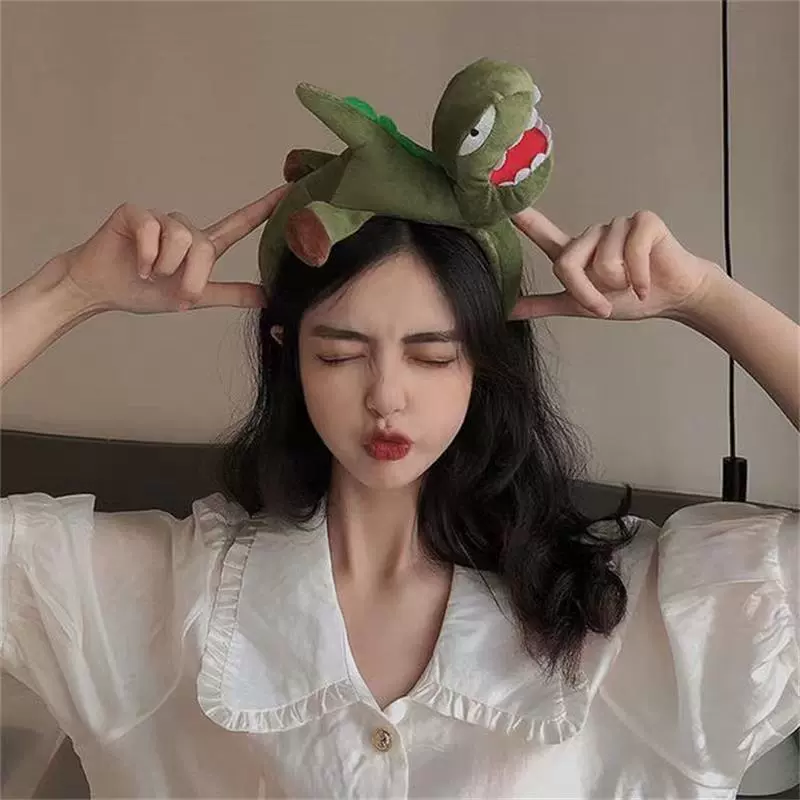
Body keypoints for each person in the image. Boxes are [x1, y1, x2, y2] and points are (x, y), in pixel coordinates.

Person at [0, 185, 797, 798]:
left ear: (484, 365)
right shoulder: (164, 600)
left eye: (432, 356)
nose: (386, 397)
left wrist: (706, 298)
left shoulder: (631, 615)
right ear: (289, 355)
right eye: (341, 354)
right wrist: (71, 289)